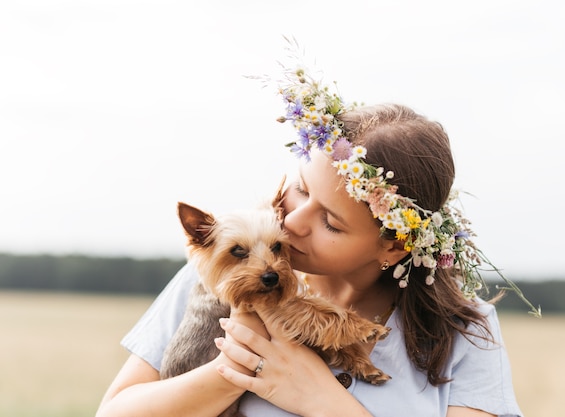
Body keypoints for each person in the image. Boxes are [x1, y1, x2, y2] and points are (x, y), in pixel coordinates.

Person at [96, 65, 537, 417]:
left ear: (393, 247)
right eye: (302, 189)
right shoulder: (216, 276)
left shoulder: (465, 333)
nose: (294, 222)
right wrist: (233, 370)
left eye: (330, 221)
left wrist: (322, 400)